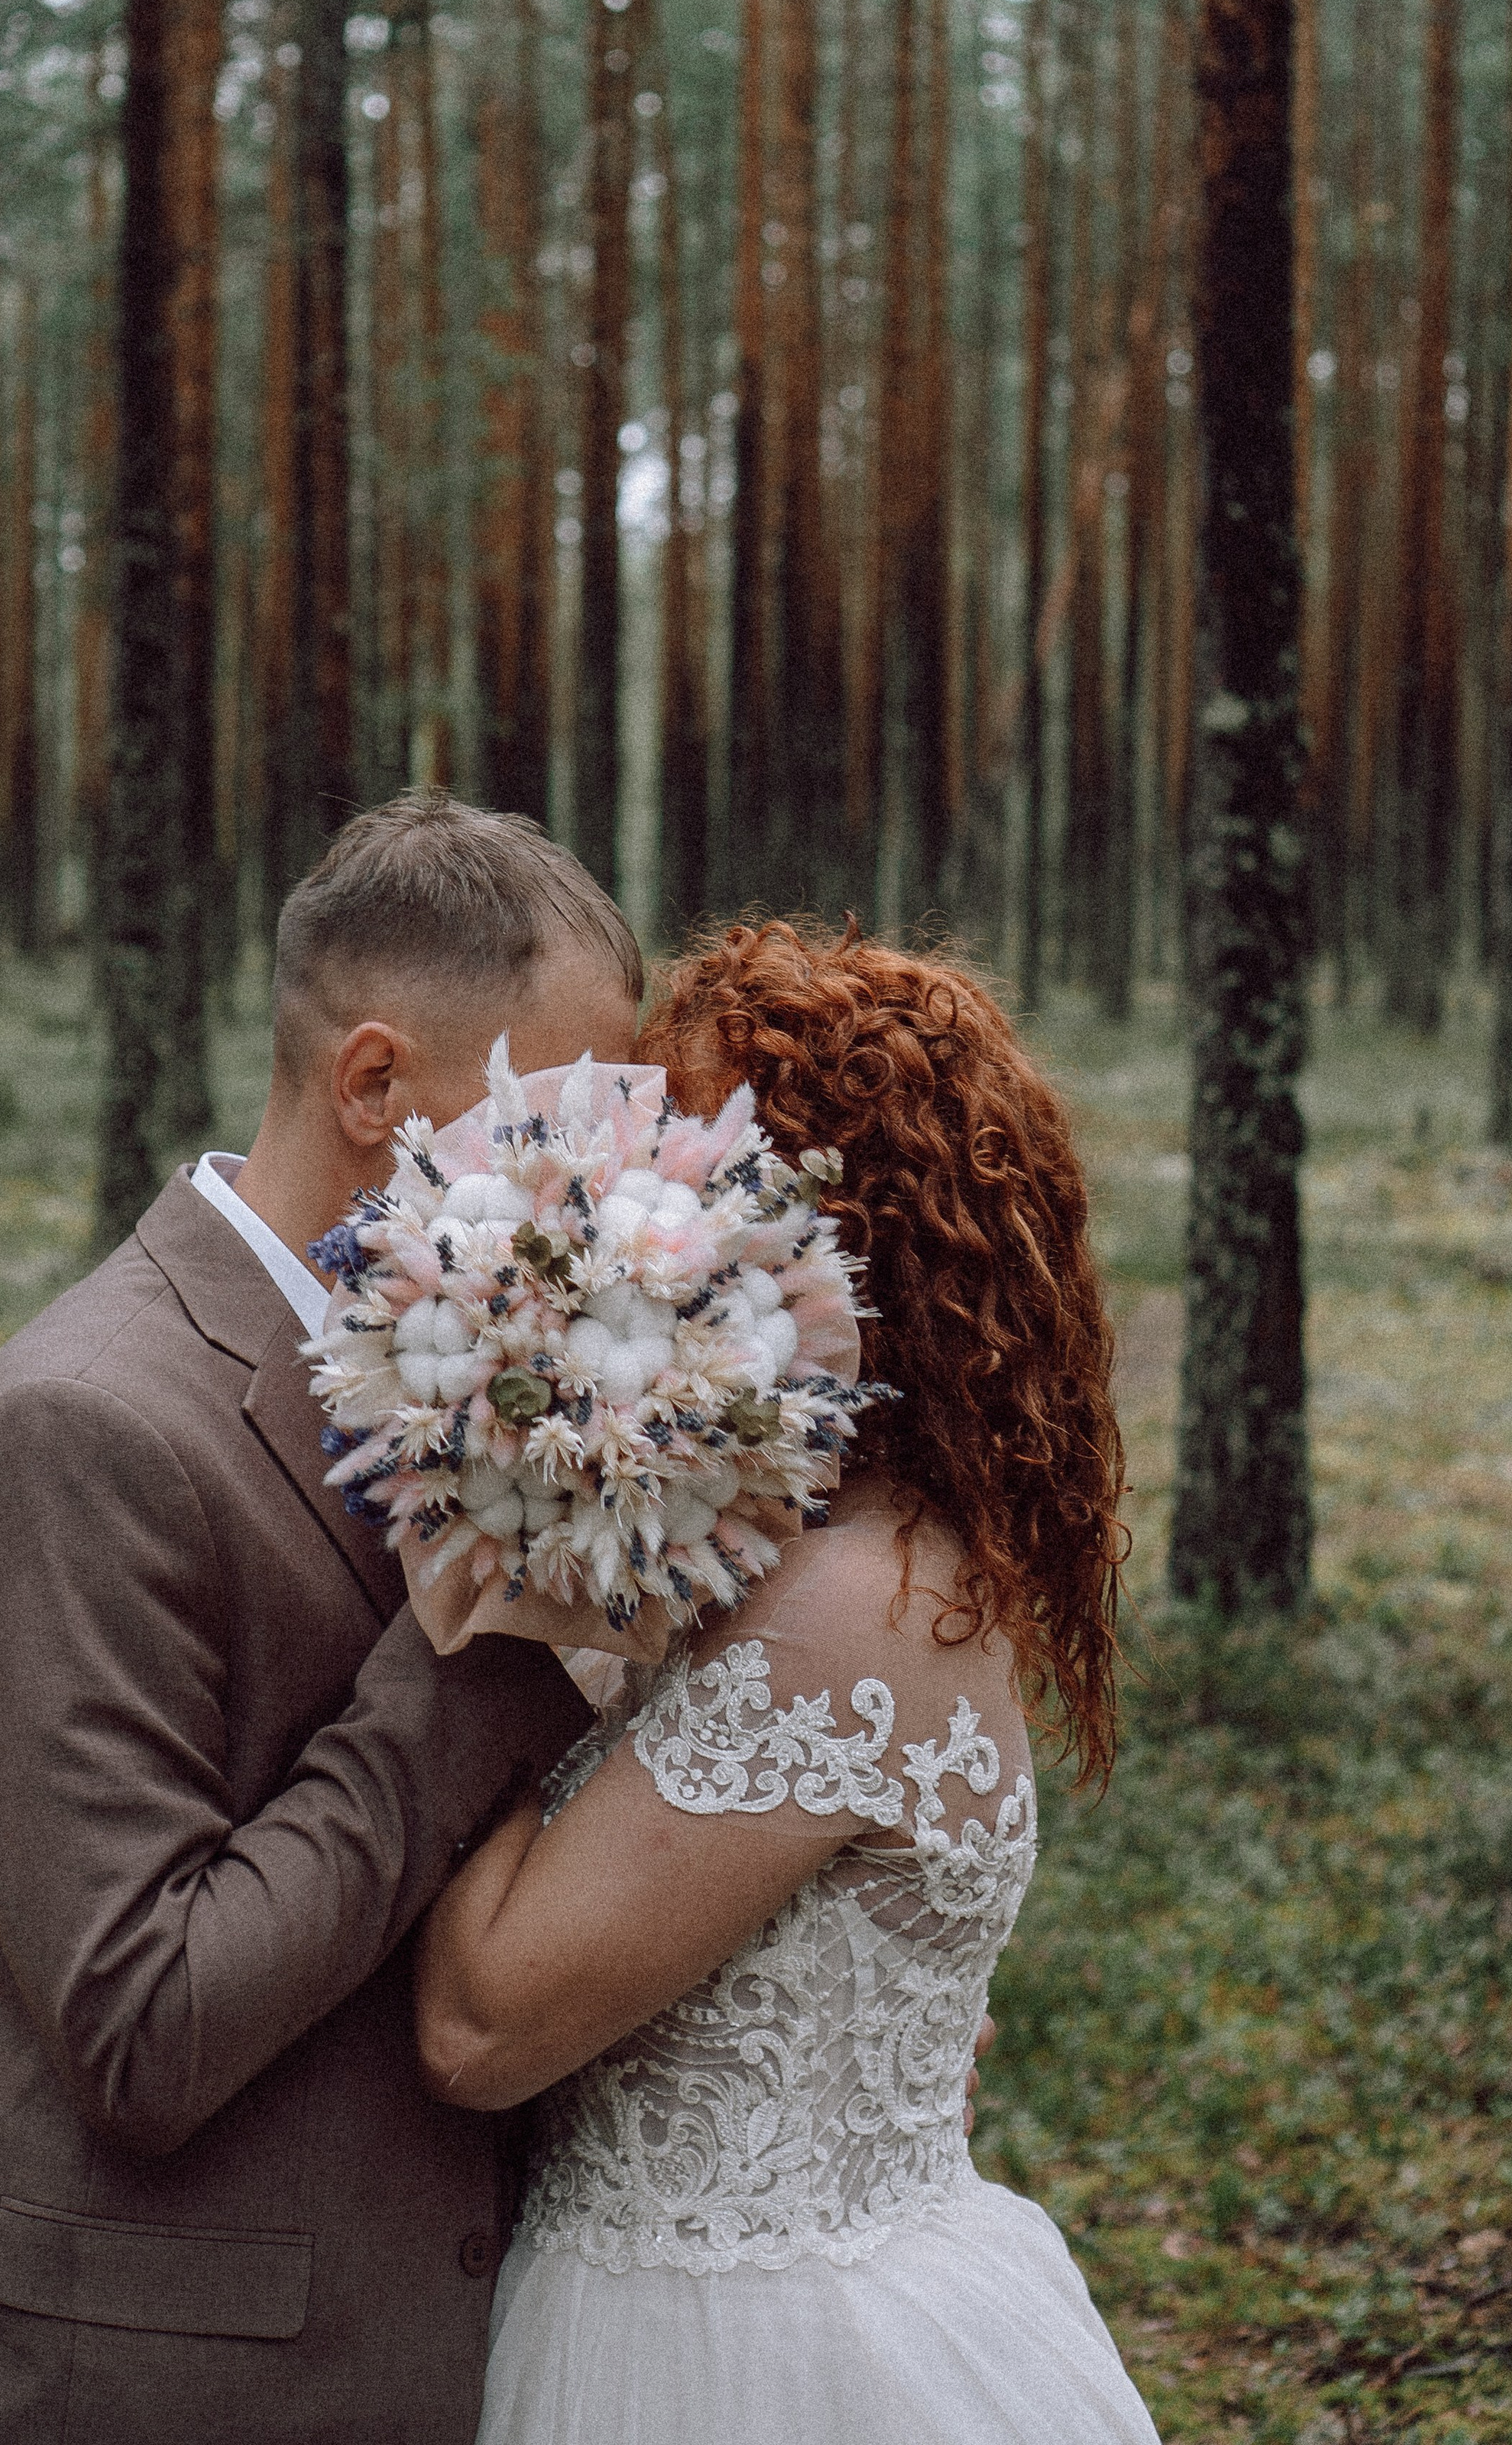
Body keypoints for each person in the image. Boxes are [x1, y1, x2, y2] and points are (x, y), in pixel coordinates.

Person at [0, 792, 641, 2445]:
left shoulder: (475, 1378)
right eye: (559, 1127)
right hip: (152, 2389)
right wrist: (494, 1652)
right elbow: (144, 2026)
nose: (596, 1195)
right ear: (376, 1086)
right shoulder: (79, 1434)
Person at [416, 919, 1162, 2445]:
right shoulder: (819, 1550)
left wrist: (494, 1585)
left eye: (688, 1166)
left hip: (741, 2355)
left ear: (839, 1233)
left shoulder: (849, 1610)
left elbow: (478, 2025)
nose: (640, 1205)